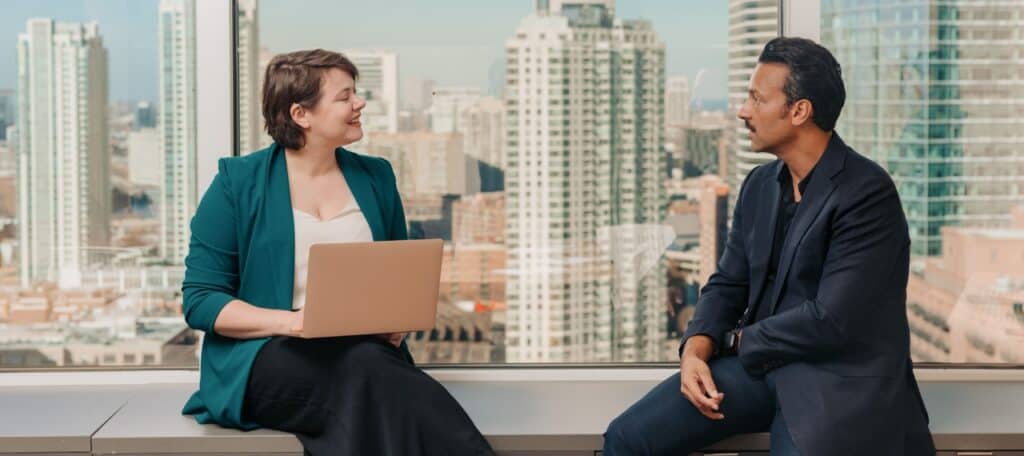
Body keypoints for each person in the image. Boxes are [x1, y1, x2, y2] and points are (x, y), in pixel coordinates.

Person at [603, 37, 935, 455]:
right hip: (759, 369)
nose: (743, 111)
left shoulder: (867, 194)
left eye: (757, 99)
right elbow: (727, 283)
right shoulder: (759, 185)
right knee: (627, 437)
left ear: (799, 111)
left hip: (834, 381)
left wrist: (735, 341)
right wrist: (696, 349)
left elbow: (830, 321)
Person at [180, 48, 494, 456]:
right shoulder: (236, 183)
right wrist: (294, 323)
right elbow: (201, 301)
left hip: (363, 353)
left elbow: (400, 274)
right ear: (301, 114)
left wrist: (396, 318)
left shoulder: (376, 176)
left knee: (364, 374)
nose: (359, 103)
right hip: (266, 356)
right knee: (368, 376)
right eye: (345, 97)